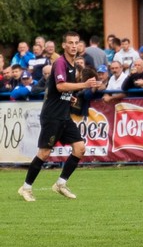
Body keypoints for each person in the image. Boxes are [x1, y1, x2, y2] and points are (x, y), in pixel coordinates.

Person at [17, 32, 103, 202]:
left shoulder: (71, 65)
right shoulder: (60, 63)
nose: (73, 46)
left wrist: (68, 97)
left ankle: (60, 184)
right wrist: (84, 85)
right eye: (70, 42)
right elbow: (61, 85)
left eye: (76, 43)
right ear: (63, 45)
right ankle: (26, 188)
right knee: (44, 153)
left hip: (64, 115)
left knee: (80, 148)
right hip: (52, 116)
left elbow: (60, 90)